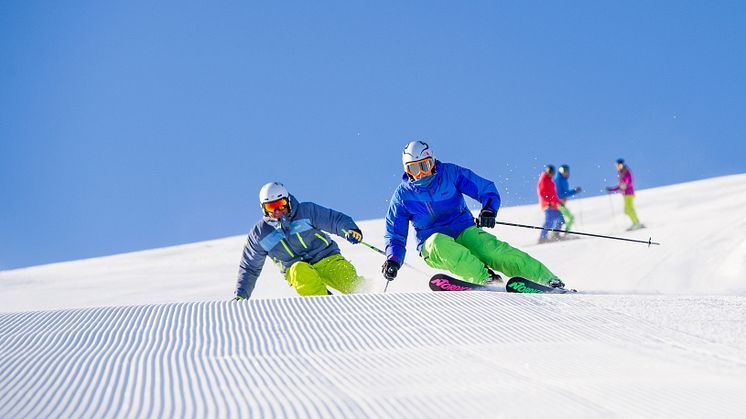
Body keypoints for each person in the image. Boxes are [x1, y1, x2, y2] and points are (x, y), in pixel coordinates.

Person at [382, 141, 565, 289]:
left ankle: (548, 279)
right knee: (439, 242)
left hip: (464, 231)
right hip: (432, 245)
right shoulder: (402, 196)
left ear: (433, 162)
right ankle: (486, 279)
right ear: (407, 171)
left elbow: (485, 188)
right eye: (414, 169)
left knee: (492, 250)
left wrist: (489, 209)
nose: (421, 173)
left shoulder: (450, 174)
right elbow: (395, 235)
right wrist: (393, 260)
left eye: (425, 166)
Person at [233, 182, 365, 300]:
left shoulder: (306, 211)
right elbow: (250, 268)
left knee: (344, 277)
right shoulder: (260, 234)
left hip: (326, 258)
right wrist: (241, 294)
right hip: (295, 268)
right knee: (299, 270)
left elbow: (333, 220)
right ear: (264, 208)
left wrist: (349, 230)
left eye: (280, 204)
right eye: (271, 207)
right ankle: (325, 303)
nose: (277, 211)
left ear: (288, 201)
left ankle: (369, 295)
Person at [606, 159, 644, 231]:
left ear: (622, 165)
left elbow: (629, 180)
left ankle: (637, 223)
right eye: (617, 166)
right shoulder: (621, 174)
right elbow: (620, 186)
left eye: (619, 165)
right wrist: (611, 189)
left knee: (629, 208)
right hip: (626, 194)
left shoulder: (626, 171)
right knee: (627, 210)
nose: (618, 167)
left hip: (629, 193)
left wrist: (625, 184)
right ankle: (635, 222)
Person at [537, 165, 565, 243]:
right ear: (547, 171)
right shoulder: (543, 180)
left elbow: (554, 195)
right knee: (549, 221)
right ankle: (542, 238)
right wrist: (547, 202)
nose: (551, 174)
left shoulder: (551, 181)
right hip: (547, 205)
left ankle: (556, 234)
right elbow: (541, 193)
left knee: (561, 219)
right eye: (549, 172)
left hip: (554, 205)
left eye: (552, 173)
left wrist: (559, 203)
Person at [554, 164, 582, 234]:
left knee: (566, 219)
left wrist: (574, 191)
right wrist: (574, 191)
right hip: (558, 203)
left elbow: (565, 193)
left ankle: (560, 234)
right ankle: (555, 235)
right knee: (565, 219)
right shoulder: (558, 180)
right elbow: (559, 193)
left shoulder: (563, 180)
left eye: (567, 172)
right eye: (564, 171)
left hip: (561, 203)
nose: (566, 173)